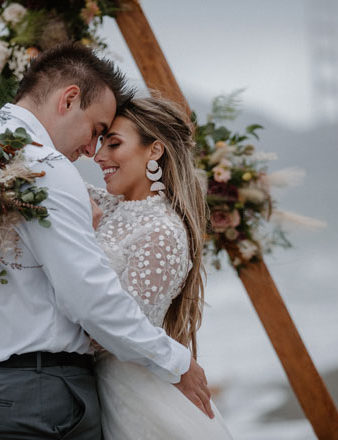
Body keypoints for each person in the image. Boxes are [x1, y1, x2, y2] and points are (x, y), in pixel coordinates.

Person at [0, 44, 214, 440]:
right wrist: (176, 360)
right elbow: (88, 298)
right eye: (98, 132)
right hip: (39, 394)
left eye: (109, 140)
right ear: (69, 99)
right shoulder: (45, 170)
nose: (91, 151)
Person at [89, 97, 234, 439]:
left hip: (127, 395)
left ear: (154, 151)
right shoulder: (108, 206)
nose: (98, 157)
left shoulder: (162, 232)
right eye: (99, 145)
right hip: (92, 388)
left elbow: (116, 331)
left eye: (113, 144)